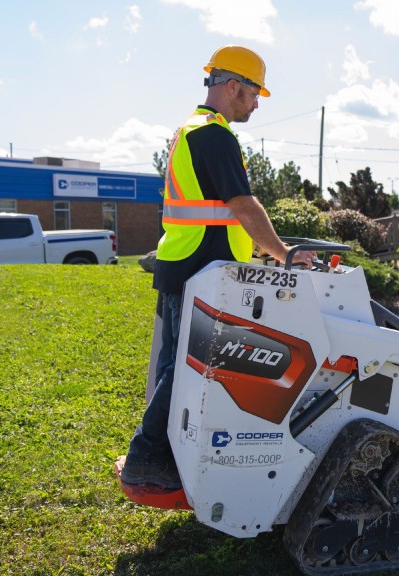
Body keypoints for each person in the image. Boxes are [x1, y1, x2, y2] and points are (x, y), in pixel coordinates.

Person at [121, 45, 314, 489]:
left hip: (185, 263)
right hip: (201, 271)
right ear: (232, 87)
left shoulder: (190, 130)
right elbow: (243, 207)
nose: (257, 102)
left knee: (177, 369)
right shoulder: (214, 134)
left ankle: (164, 455)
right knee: (183, 373)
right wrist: (283, 253)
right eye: (253, 93)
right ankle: (145, 457)